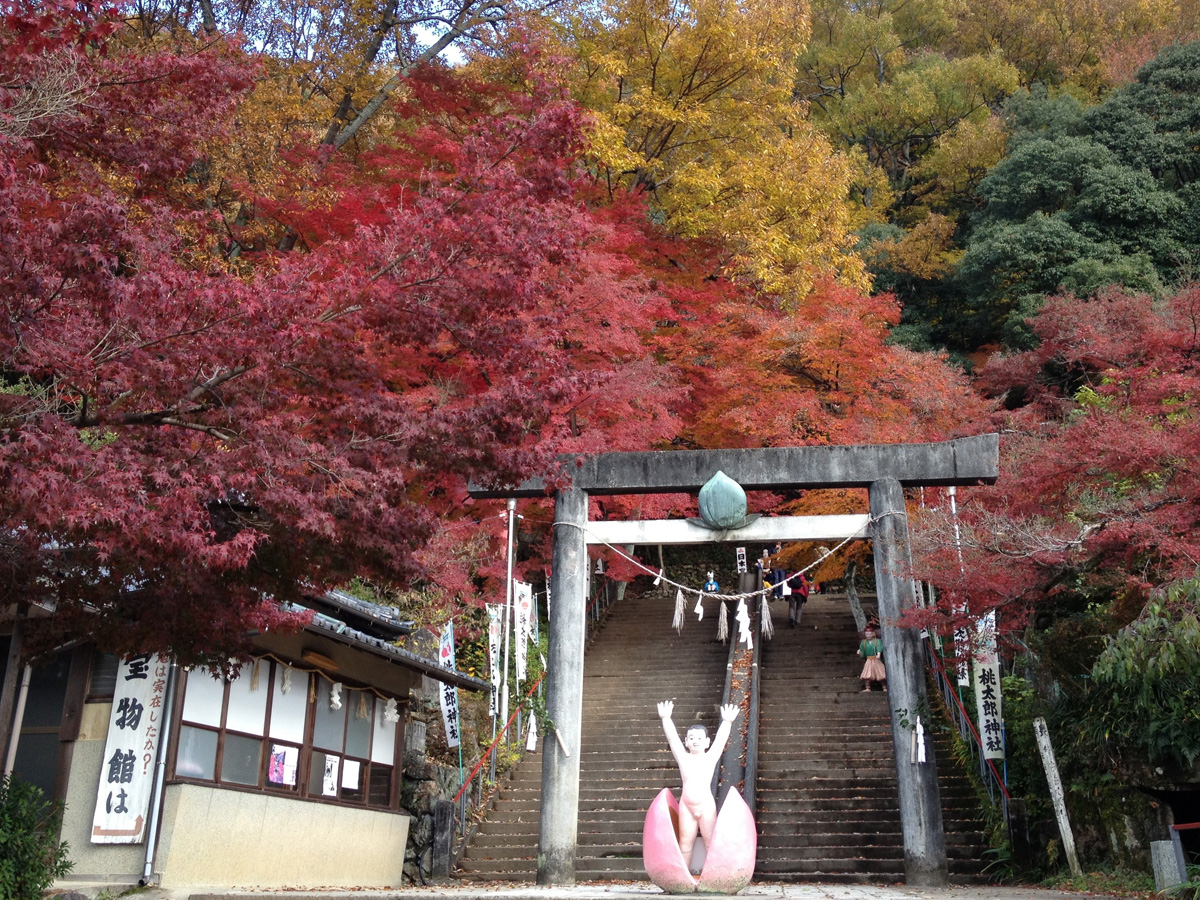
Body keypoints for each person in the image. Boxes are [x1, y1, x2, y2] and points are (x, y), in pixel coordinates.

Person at [657, 699, 740, 872]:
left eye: (699, 738)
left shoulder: (709, 758)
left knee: (711, 842)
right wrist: (666, 718)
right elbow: (672, 739)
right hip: (686, 806)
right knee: (685, 843)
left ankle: (714, 874)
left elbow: (720, 741)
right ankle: (682, 875)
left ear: (707, 742)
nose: (695, 741)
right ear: (686, 742)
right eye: (691, 738)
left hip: (706, 806)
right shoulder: (683, 758)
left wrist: (727, 722)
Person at [857, 626, 886, 692]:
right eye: (867, 634)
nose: (868, 635)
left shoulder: (877, 641)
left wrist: (878, 654)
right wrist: (860, 653)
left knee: (881, 673)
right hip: (869, 660)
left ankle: (884, 687)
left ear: (873, 634)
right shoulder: (863, 642)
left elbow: (879, 647)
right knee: (867, 674)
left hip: (876, 659)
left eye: (869, 634)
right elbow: (863, 653)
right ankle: (868, 687)